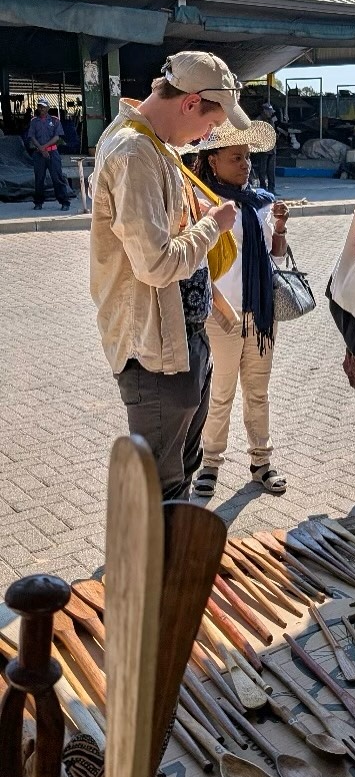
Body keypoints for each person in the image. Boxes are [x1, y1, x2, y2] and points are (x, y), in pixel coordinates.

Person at [89, 50, 248, 500]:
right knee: (162, 485)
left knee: (182, 467)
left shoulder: (156, 144)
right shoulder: (134, 153)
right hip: (155, 351)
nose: (211, 134)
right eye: (211, 122)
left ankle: (173, 558)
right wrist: (212, 226)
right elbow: (157, 265)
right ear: (190, 103)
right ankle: (157, 567)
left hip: (181, 338)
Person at [189, 119, 290, 497]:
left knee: (258, 392)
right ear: (212, 161)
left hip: (261, 315)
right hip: (222, 316)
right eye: (236, 157)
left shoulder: (262, 202)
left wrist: (279, 228)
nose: (246, 164)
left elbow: (275, 257)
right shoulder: (203, 203)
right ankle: (210, 464)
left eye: (247, 157)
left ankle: (261, 461)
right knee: (220, 393)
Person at [26, 98, 73, 211]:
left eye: (43, 106)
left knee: (57, 177)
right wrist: (41, 149)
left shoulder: (55, 120)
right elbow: (32, 137)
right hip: (39, 154)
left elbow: (57, 137)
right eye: (39, 106)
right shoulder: (34, 121)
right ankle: (38, 202)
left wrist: (44, 147)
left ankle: (64, 202)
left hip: (52, 152)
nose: (41, 109)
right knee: (39, 178)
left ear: (47, 108)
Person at [251, 102, 278, 193]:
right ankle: (263, 189)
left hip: (272, 149)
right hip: (263, 150)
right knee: (262, 171)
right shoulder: (258, 121)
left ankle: (272, 189)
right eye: (269, 111)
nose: (271, 113)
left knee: (271, 171)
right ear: (264, 111)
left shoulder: (271, 121)